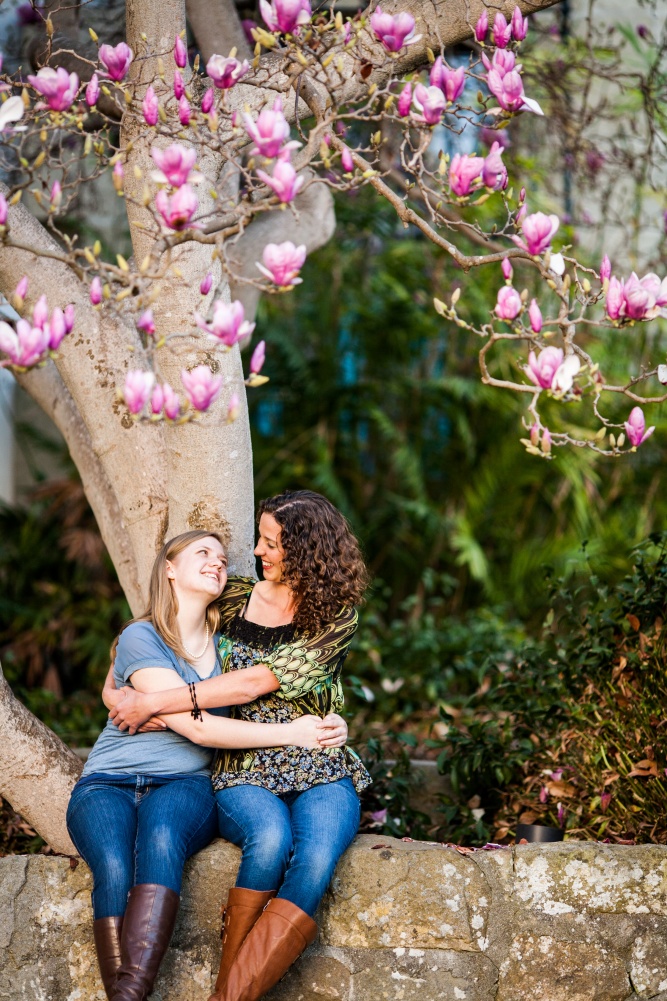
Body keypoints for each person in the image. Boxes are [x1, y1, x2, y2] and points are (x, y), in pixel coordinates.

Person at [109, 490, 372, 1001]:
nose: (258, 551)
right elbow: (141, 635)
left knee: (316, 857)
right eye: (260, 539)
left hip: (318, 756)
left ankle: (226, 998)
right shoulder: (232, 596)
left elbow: (255, 682)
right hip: (241, 762)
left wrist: (159, 701)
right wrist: (120, 694)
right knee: (270, 838)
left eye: (271, 543)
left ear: (306, 549)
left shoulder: (337, 616)